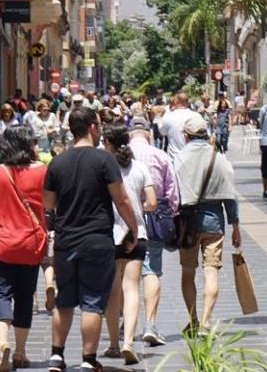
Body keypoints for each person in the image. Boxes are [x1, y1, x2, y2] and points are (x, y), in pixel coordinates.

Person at [45, 107, 139, 372]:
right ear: (93, 128)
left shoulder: (57, 162)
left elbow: (48, 203)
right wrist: (133, 229)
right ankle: (87, 360)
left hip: (66, 240)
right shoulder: (104, 160)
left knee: (65, 299)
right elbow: (120, 199)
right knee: (92, 301)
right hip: (97, 240)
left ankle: (56, 356)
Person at [0, 126, 48, 372]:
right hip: (31, 244)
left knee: (0, 293)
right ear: (28, 144)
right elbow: (50, 204)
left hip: (2, 244)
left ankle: (2, 345)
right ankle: (20, 352)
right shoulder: (41, 172)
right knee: (25, 297)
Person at [175, 116, 241, 333]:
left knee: (188, 273)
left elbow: (171, 192)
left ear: (185, 136)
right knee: (211, 272)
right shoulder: (219, 159)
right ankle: (206, 321)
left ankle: (193, 319)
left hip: (187, 225)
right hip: (214, 223)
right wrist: (235, 226)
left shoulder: (178, 158)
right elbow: (231, 196)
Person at [101, 125, 156, 365]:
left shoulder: (102, 168)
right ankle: (129, 342)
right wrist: (135, 211)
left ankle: (113, 344)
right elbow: (152, 202)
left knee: (112, 292)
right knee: (131, 288)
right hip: (137, 233)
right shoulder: (140, 168)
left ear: (108, 143)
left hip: (109, 234)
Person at [127, 116, 179, 346]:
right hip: (154, 217)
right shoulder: (161, 155)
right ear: (149, 134)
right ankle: (150, 324)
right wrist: (172, 215)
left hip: (124, 217)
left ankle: (124, 324)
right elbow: (172, 193)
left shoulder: (118, 155)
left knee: (124, 273)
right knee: (151, 269)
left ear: (130, 135)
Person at [158, 93, 197, 160]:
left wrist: (160, 119)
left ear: (175, 102)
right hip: (192, 158)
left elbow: (162, 132)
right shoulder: (196, 116)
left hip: (174, 157)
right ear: (188, 102)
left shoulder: (168, 117)